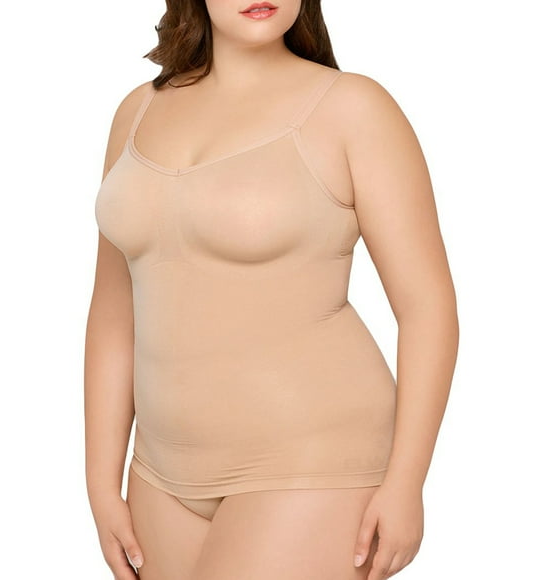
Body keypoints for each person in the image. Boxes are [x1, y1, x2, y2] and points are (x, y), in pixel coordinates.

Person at [84, 1, 459, 579]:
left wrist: (407, 482)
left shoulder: (352, 107)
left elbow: (427, 308)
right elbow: (113, 315)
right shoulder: (136, 111)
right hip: (159, 473)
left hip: (313, 461)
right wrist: (100, 482)